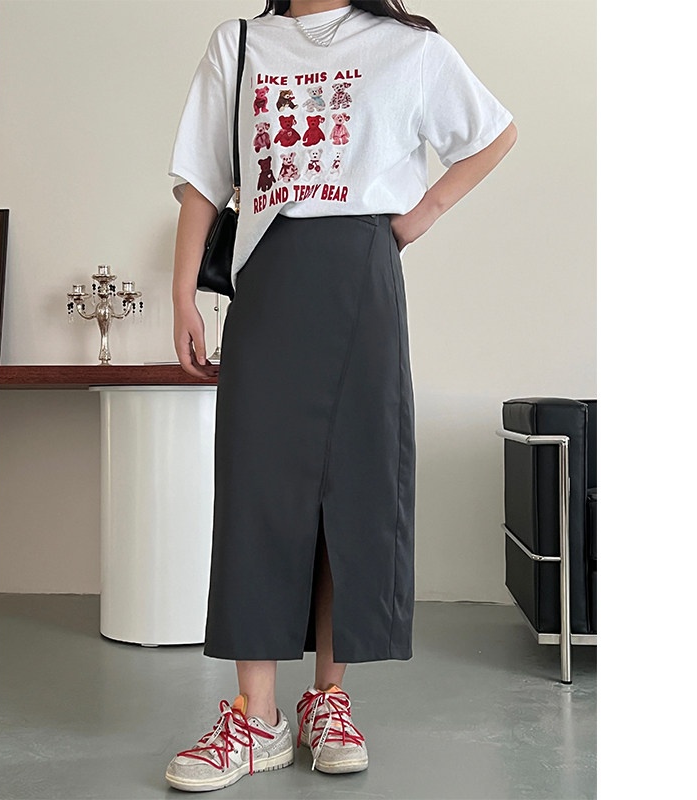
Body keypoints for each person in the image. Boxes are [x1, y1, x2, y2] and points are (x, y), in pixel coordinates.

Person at [165, 0, 516, 791]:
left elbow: (495, 133)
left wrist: (419, 215)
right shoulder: (241, 43)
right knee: (257, 489)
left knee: (353, 487)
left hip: (362, 274)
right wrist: (183, 292)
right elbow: (202, 178)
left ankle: (328, 700)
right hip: (268, 279)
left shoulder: (407, 48)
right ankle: (256, 719)